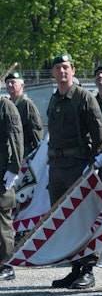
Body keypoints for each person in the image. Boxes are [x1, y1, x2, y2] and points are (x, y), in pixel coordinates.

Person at [47, 52, 102, 290]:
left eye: (66, 67)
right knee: (64, 221)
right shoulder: (55, 99)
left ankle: (88, 269)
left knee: (82, 218)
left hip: (77, 165)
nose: (62, 71)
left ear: (73, 70)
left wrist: (93, 161)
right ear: (53, 72)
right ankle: (74, 267)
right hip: (57, 167)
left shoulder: (83, 97)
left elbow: (100, 131)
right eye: (58, 68)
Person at [1, 94, 23, 281]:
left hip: (2, 171)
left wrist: (14, 168)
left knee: (2, 218)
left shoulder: (5, 106)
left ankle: (6, 264)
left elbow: (16, 137)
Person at [5, 71, 43, 158]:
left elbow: (36, 130)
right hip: (9, 153)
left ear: (22, 85)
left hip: (24, 153)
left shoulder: (27, 104)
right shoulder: (7, 105)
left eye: (13, 82)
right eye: (7, 82)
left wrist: (37, 153)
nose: (10, 85)